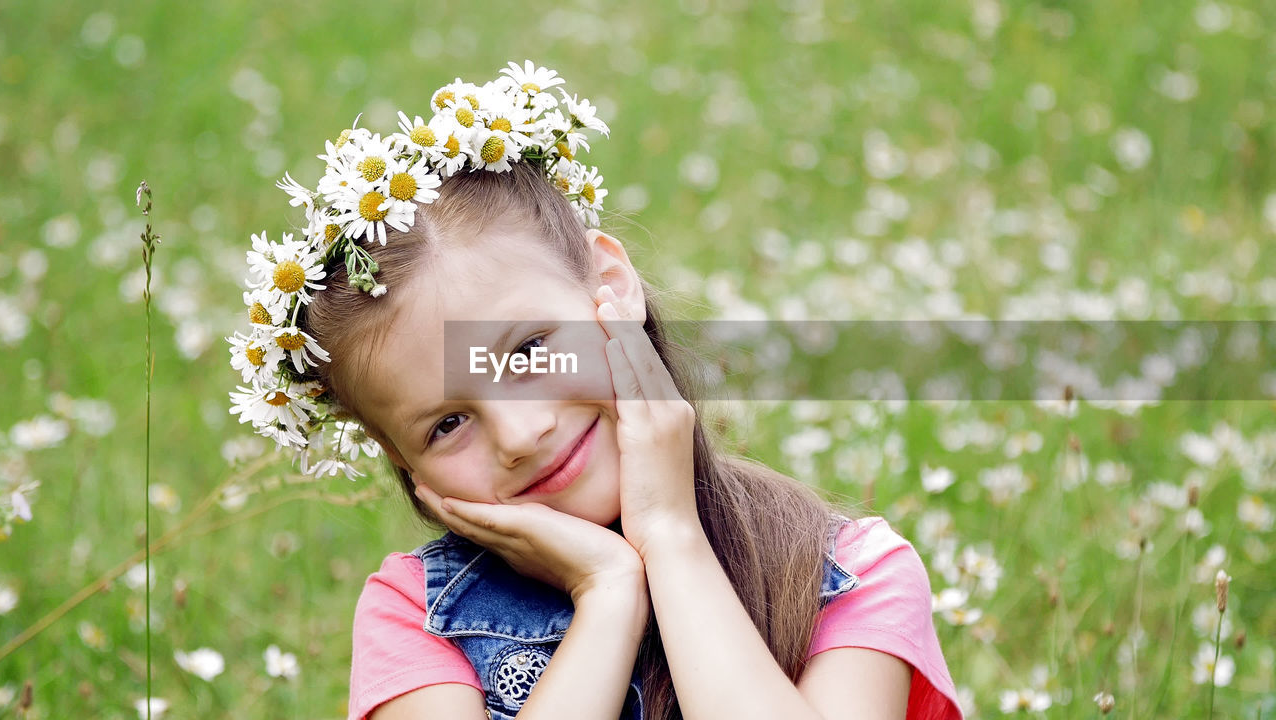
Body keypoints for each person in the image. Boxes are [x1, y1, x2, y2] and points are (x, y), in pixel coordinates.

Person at [226, 61, 962, 720]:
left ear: (609, 288)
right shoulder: (413, 620)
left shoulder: (851, 575)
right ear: (406, 468)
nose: (520, 435)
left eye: (529, 350)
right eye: (447, 423)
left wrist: (670, 537)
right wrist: (608, 597)